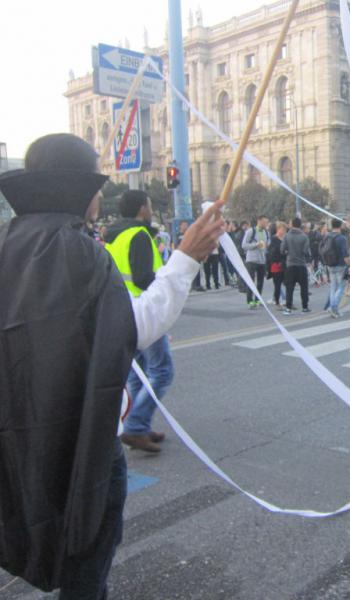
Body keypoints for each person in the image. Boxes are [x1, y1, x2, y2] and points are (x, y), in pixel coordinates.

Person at [0, 133, 223, 600]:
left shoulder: (10, 242)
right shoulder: (77, 251)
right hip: (81, 438)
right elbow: (130, 328)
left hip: (18, 433)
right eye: (96, 183)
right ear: (80, 189)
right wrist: (185, 259)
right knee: (88, 551)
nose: (102, 196)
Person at [105, 190, 174, 453]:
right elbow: (143, 278)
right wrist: (166, 279)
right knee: (163, 370)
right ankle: (135, 425)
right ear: (141, 209)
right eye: (148, 204)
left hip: (121, 307)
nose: (151, 209)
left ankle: (138, 425)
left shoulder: (114, 234)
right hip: (143, 309)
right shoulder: (139, 234)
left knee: (137, 373)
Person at [282, 216, 311, 314]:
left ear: (292, 225)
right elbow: (306, 252)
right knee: (304, 287)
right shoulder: (304, 236)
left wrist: (288, 252)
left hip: (290, 264)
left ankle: (288, 308)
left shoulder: (287, 236)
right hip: (301, 264)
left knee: (289, 287)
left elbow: (282, 250)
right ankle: (305, 307)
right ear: (300, 225)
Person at [322, 218, 350, 318]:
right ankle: (333, 308)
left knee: (333, 287)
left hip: (330, 264)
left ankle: (332, 307)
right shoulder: (342, 238)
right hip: (340, 265)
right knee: (341, 287)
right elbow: (345, 254)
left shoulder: (326, 236)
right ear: (340, 226)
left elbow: (321, 249)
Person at [242, 215, 269, 309]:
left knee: (260, 281)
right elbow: (244, 245)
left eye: (267, 222)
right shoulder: (251, 231)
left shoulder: (266, 232)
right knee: (251, 281)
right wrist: (256, 245)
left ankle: (258, 299)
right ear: (259, 221)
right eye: (264, 222)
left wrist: (266, 245)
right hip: (252, 260)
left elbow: (267, 243)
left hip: (262, 260)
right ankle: (250, 301)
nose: (266, 224)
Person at [267, 222, 287, 307]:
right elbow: (272, 253)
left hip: (285, 264)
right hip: (276, 264)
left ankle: (286, 300)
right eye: (283, 229)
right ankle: (277, 301)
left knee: (287, 283)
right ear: (278, 229)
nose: (284, 231)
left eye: (285, 230)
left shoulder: (285, 239)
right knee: (277, 284)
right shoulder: (274, 239)